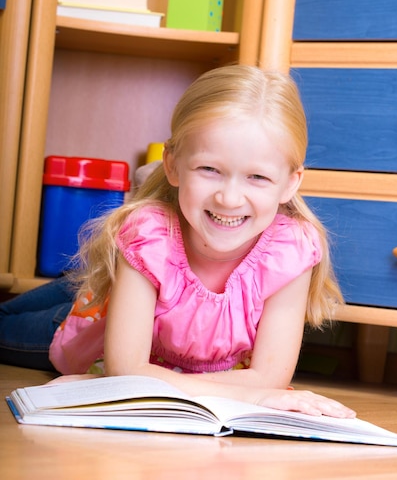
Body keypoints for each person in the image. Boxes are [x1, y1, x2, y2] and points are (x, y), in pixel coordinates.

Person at [0, 65, 355, 418]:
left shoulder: (290, 252)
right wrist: (251, 395)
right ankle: (93, 280)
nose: (229, 199)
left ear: (290, 183)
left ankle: (96, 277)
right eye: (209, 170)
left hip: (145, 292)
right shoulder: (148, 236)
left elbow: (270, 380)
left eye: (257, 177)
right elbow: (126, 369)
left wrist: (260, 392)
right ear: (171, 165)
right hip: (95, 319)